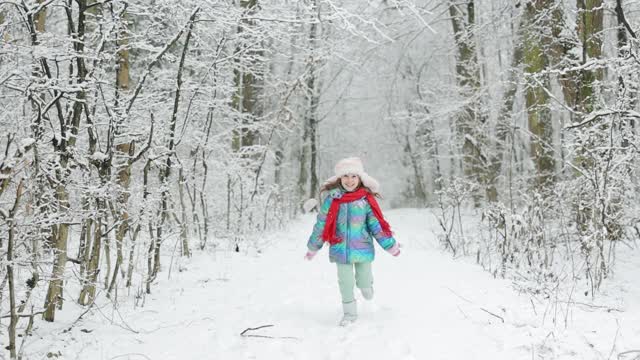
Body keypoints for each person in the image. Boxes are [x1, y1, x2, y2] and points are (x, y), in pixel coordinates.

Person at [304, 157, 400, 326]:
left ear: (360, 178)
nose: (349, 180)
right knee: (345, 283)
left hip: (363, 250)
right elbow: (321, 225)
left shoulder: (366, 200)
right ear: (339, 179)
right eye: (345, 176)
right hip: (340, 250)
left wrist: (391, 246)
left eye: (353, 176)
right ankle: (349, 314)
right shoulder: (332, 200)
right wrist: (313, 248)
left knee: (364, 283)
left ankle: (366, 287)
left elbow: (376, 226)